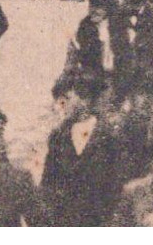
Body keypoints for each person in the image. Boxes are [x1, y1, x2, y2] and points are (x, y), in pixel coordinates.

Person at [40, 74, 125, 226]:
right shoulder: (58, 137)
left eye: (65, 99)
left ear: (84, 98)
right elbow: (48, 185)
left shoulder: (110, 136)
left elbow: (117, 188)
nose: (59, 106)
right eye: (58, 101)